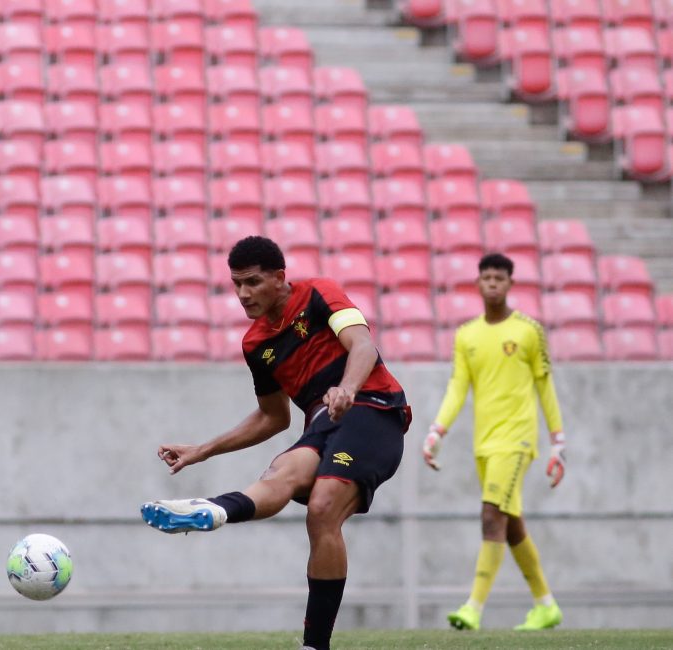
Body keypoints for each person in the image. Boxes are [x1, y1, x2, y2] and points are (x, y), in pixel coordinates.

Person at [140, 236, 410, 650]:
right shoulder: (255, 344)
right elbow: (273, 417)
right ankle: (214, 510)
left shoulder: (320, 292)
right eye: (236, 284)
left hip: (373, 409)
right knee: (283, 473)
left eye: (252, 282)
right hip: (322, 424)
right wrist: (203, 449)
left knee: (321, 506)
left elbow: (362, 344)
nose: (243, 294)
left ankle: (314, 645)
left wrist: (348, 389)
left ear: (279, 278)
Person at [422, 252, 566, 632]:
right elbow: (457, 387)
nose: (492, 284)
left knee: (490, 516)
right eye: (486, 277)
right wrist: (437, 430)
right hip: (484, 444)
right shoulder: (467, 335)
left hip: (517, 441)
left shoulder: (528, 331)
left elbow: (545, 385)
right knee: (511, 523)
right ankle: (546, 605)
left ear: (510, 284)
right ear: (477, 283)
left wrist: (558, 441)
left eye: (499, 278)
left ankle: (473, 607)